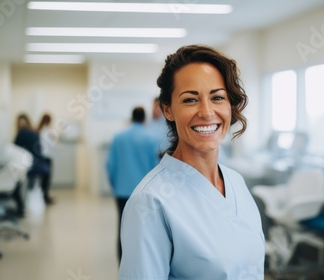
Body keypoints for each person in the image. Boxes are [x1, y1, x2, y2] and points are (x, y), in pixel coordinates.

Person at [119, 45, 265, 279]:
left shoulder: (236, 182)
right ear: (168, 110)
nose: (207, 112)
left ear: (230, 106)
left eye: (217, 97)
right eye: (190, 100)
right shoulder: (150, 202)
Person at [106, 106, 160, 263]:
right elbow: (156, 167)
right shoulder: (152, 138)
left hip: (122, 192)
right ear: (144, 119)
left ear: (132, 118)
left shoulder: (118, 137)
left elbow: (110, 165)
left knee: (122, 228)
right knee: (145, 230)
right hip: (145, 193)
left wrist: (115, 186)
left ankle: (123, 265)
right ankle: (141, 265)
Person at [13, 114, 51, 210]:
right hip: (41, 164)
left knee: (16, 179)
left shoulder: (21, 133)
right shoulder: (34, 132)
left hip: (33, 165)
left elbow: (15, 148)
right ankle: (43, 196)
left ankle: (20, 208)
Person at [37, 113, 55, 205]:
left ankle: (45, 196)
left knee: (45, 179)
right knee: (46, 179)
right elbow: (51, 145)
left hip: (42, 157)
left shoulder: (40, 130)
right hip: (47, 158)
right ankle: (45, 198)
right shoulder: (46, 131)